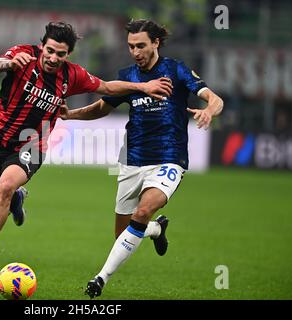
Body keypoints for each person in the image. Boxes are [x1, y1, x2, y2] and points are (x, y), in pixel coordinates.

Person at [0, 21, 174, 279]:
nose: (53, 58)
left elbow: (106, 87)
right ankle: (16, 198)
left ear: (68, 54)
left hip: (32, 144)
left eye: (60, 54)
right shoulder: (23, 55)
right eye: (49, 51)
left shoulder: (72, 75)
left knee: (4, 188)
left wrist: (143, 87)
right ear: (42, 46)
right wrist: (7, 63)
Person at [61, 19, 224, 298]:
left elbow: (215, 98)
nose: (135, 52)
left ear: (156, 43)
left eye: (141, 46)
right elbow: (102, 108)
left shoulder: (176, 70)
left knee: (141, 212)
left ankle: (99, 279)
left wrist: (209, 109)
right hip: (132, 160)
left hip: (169, 159)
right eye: (130, 46)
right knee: (123, 235)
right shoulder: (128, 77)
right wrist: (71, 115)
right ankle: (156, 230)